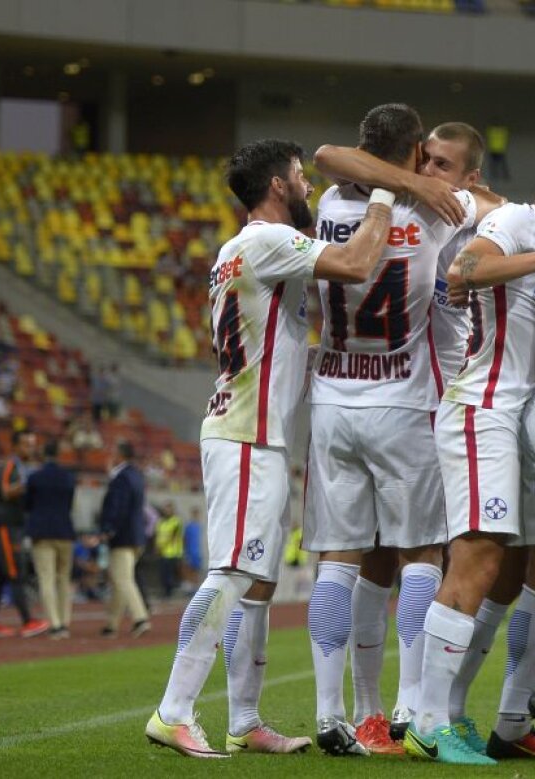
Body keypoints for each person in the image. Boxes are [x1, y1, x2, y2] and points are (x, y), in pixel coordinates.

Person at [146, 137, 395, 759]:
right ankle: (173, 710)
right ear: (278, 186)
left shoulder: (238, 250)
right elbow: (360, 262)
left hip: (252, 431)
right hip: (246, 436)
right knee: (233, 572)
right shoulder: (267, 239)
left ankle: (245, 720)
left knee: (256, 581)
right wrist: (389, 189)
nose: (308, 186)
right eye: (299, 176)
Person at [402, 134, 535, 765]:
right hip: (482, 409)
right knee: (476, 560)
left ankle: (460, 714)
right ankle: (425, 721)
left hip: (522, 418)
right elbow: (463, 270)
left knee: (517, 568)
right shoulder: (518, 221)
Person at [303, 106, 500, 756]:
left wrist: (397, 174)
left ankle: (338, 713)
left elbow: (331, 154)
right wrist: (429, 185)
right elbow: (498, 205)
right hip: (406, 402)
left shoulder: (330, 201)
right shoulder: (440, 212)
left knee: (339, 556)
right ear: (416, 153)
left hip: (332, 397)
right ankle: (413, 708)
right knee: (422, 554)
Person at [0, 431, 50, 638]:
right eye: (26, 444)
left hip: (17, 525)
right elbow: (5, 491)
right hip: (6, 525)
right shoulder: (9, 466)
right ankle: (28, 621)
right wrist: (29, 484)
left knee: (0, 575)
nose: (31, 448)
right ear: (15, 447)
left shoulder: (24, 468)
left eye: (33, 444)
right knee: (15, 571)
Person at [26, 438, 77, 639]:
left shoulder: (35, 477)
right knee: (64, 578)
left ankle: (55, 624)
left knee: (46, 578)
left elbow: (28, 504)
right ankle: (65, 621)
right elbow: (70, 503)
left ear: (43, 454)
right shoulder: (68, 477)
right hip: (65, 531)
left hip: (42, 533)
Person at [99, 441, 150, 639]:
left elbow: (117, 506)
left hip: (123, 536)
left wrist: (108, 529)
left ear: (120, 454)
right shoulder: (137, 475)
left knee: (123, 579)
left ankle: (140, 618)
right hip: (137, 535)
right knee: (119, 579)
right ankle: (112, 624)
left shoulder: (120, 478)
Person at [155, 503, 184, 599]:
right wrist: (157, 547)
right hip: (162, 552)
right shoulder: (161, 522)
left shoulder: (176, 521)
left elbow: (173, 536)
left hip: (172, 552)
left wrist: (161, 546)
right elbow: (158, 535)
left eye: (168, 509)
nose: (166, 511)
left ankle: (169, 592)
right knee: (163, 573)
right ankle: (166, 591)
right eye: (165, 509)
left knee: (169, 574)